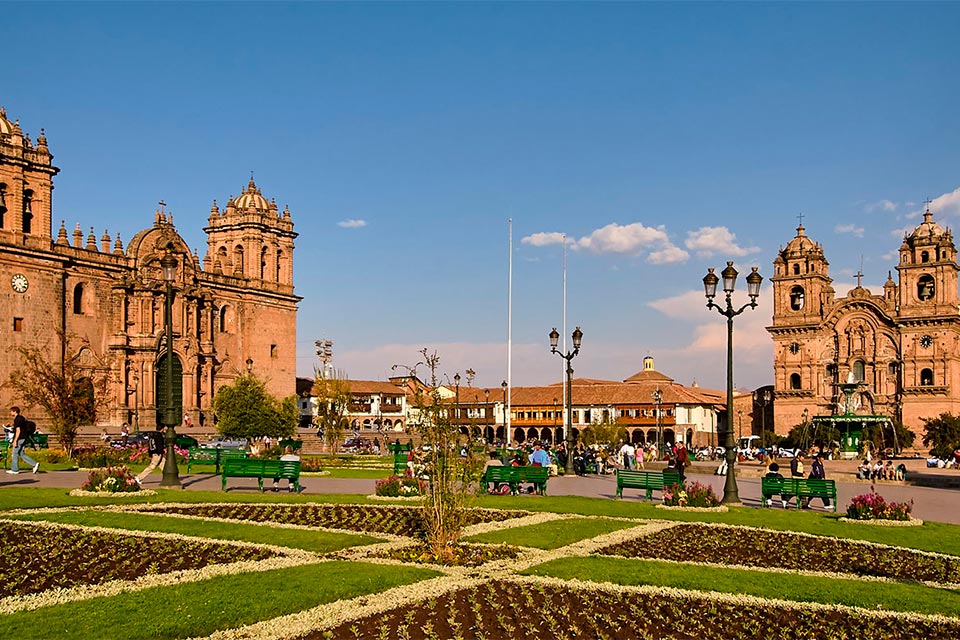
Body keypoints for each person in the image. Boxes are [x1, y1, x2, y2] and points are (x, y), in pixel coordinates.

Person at [7, 407, 39, 475]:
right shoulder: (22, 418)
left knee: (14, 453)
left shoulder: (17, 419)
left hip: (20, 438)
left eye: (11, 411)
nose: (10, 413)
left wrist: (15, 440)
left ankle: (14, 469)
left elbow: (18, 430)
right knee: (21, 453)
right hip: (24, 437)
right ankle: (34, 464)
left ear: (15, 411)